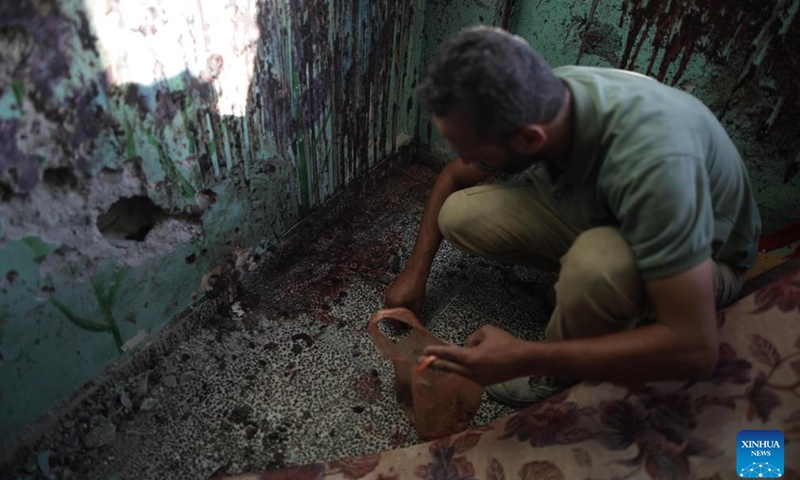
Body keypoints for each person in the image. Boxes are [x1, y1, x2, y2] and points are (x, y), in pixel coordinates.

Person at [383, 26, 761, 407]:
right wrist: (417, 271)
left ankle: (559, 376)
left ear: (531, 140)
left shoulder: (656, 165)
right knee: (459, 214)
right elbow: (452, 177)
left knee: (596, 263)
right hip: (622, 218)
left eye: (474, 151)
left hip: (708, 265)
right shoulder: (548, 98)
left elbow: (695, 348)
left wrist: (522, 357)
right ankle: (596, 298)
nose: (464, 160)